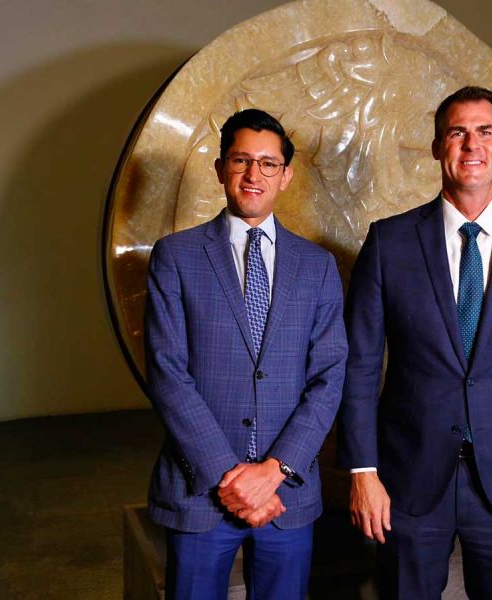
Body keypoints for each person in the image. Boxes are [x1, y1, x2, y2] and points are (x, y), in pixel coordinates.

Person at [337, 86, 492, 600]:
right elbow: (359, 365)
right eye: (457, 132)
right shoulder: (389, 242)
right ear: (438, 147)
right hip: (408, 481)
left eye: (485, 132)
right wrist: (363, 471)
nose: (472, 144)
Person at [144, 108, 347, 600]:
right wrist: (230, 478)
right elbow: (168, 374)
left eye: (268, 163)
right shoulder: (176, 256)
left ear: (285, 176)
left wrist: (274, 471)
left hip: (286, 493)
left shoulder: (317, 266)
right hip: (200, 489)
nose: (254, 174)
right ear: (221, 169)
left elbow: (328, 376)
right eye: (241, 161)